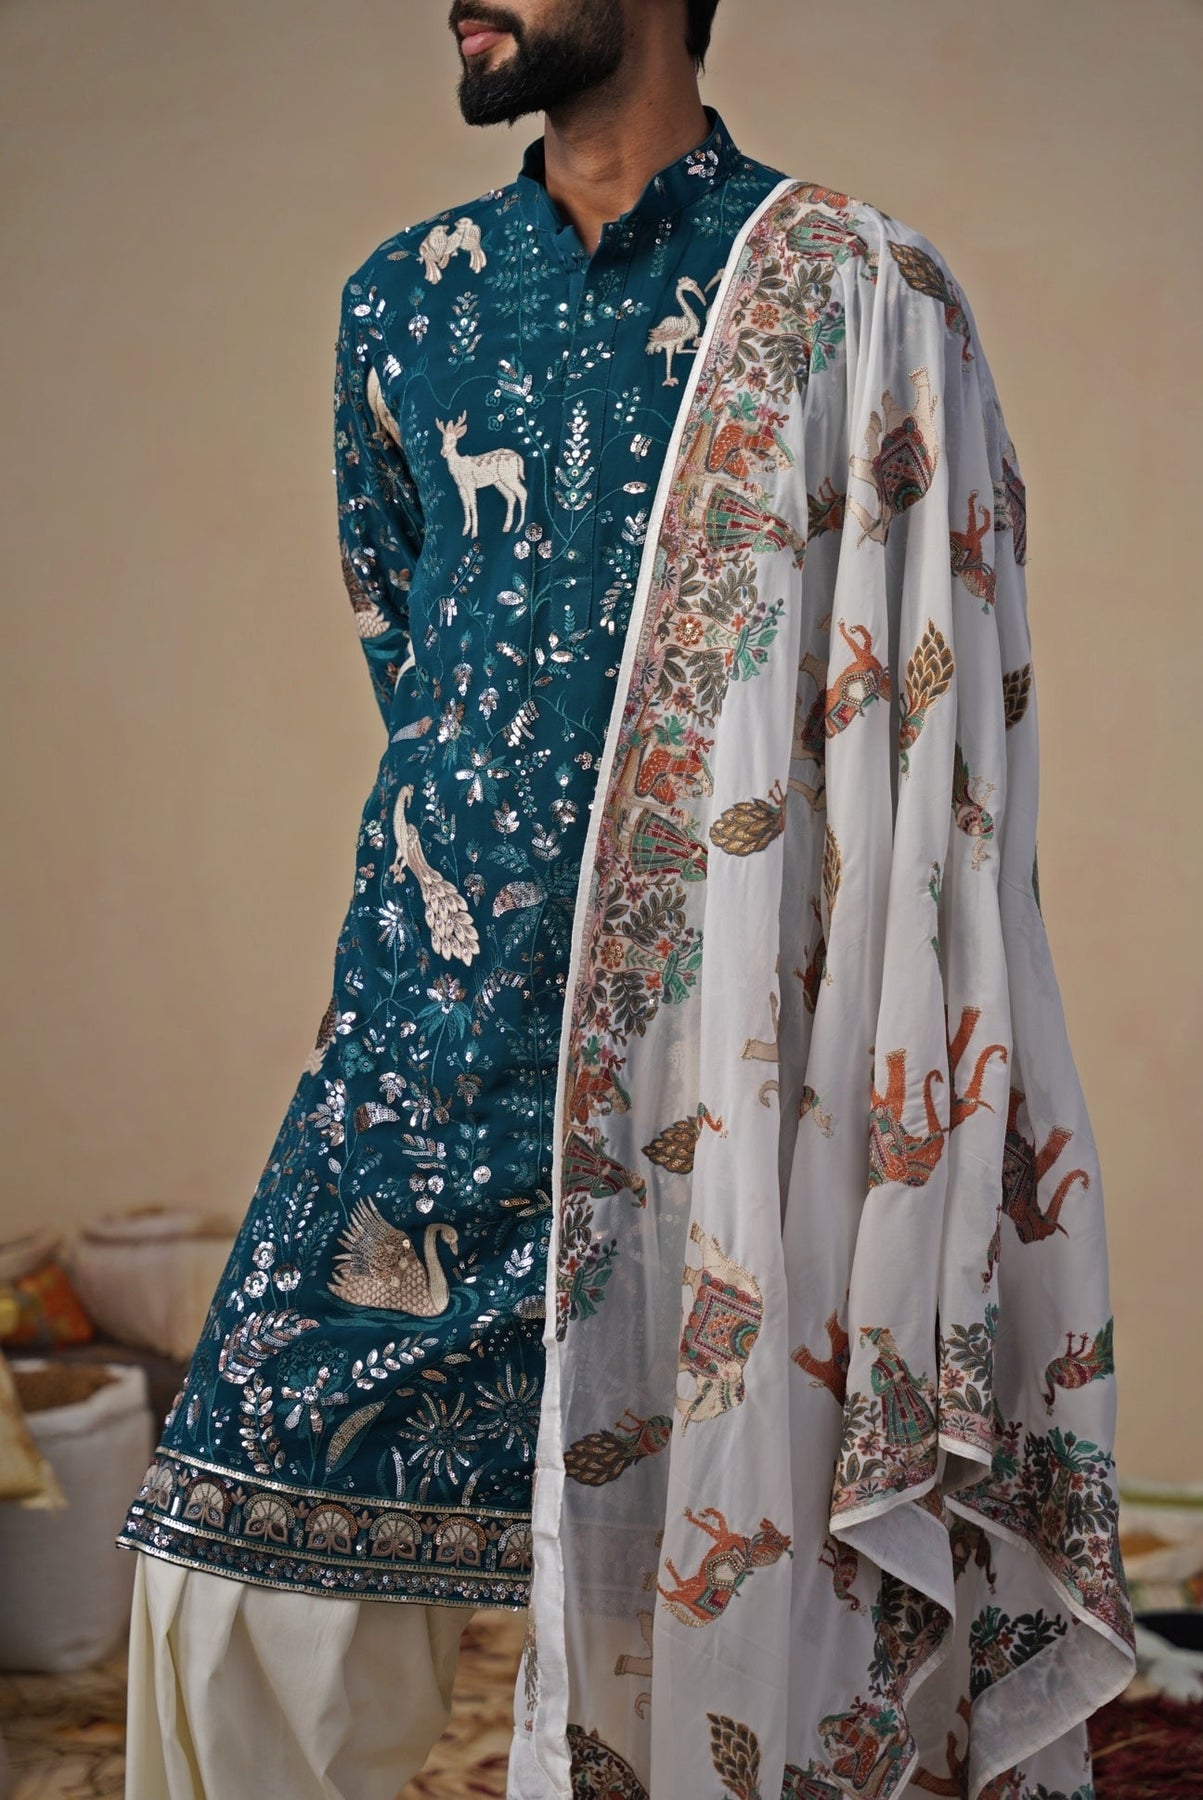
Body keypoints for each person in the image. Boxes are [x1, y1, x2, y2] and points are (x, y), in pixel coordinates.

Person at [120, 2, 1137, 1796]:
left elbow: (939, 736)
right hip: (428, 1061)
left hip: (719, 1088)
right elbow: (412, 655)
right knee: (221, 1583)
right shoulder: (404, 301)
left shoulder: (856, 291)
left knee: (719, 1605)